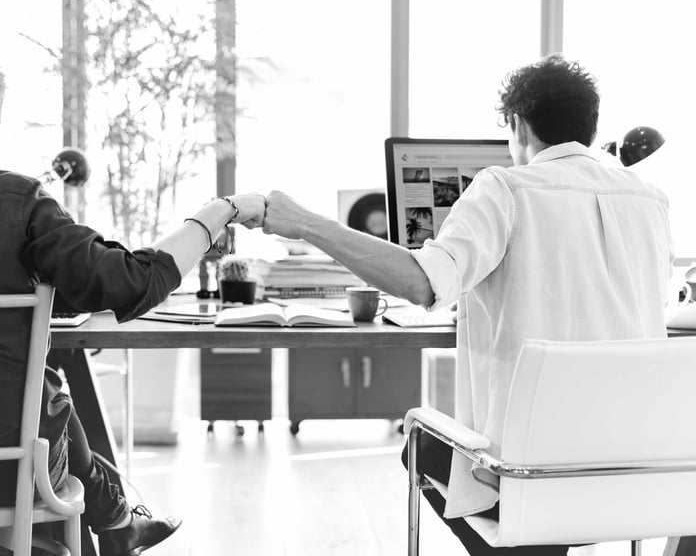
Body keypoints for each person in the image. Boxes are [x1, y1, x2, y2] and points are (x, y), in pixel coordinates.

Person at [0, 45, 265, 556]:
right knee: (47, 391)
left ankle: (118, 521)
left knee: (45, 390)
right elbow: (133, 283)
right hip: (12, 471)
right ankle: (117, 522)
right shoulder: (18, 202)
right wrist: (218, 212)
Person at [260, 54, 673, 555]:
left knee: (422, 442)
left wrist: (307, 223)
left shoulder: (504, 187)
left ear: (517, 126)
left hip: (527, 482)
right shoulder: (650, 199)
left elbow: (421, 282)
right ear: (591, 127)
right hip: (635, 478)